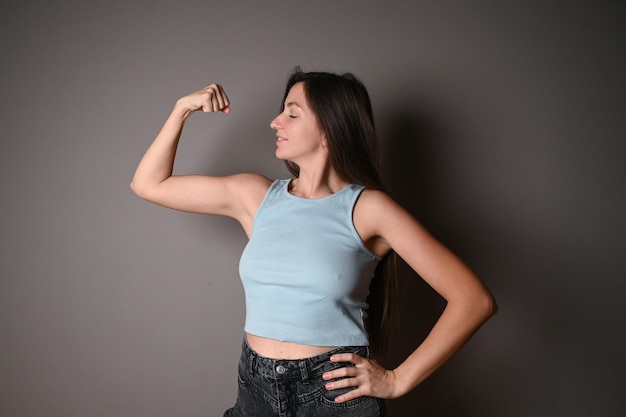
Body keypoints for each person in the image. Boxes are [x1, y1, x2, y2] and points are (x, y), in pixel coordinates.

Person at [131, 67, 497, 417]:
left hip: (332, 397)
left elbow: (474, 300)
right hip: (255, 390)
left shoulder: (368, 209)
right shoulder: (255, 196)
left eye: (292, 114)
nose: (275, 122)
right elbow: (148, 184)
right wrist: (182, 109)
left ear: (329, 129)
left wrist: (397, 379)